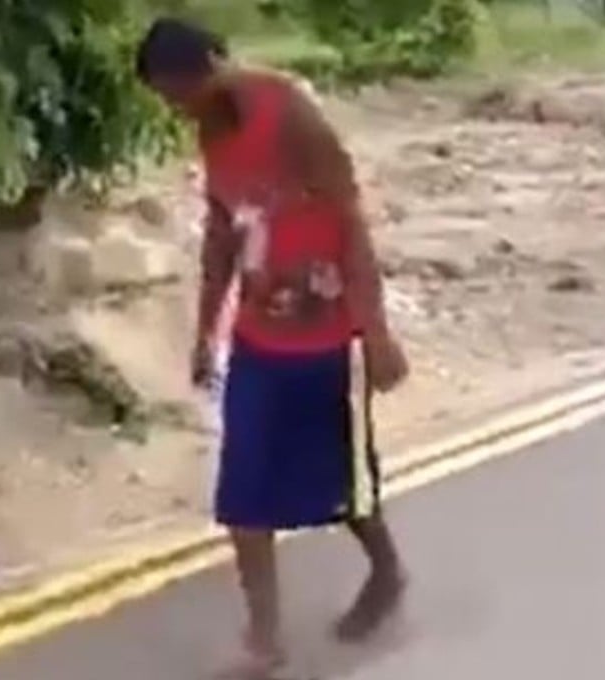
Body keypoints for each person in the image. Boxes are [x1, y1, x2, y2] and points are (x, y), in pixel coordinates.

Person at [136, 18, 410, 679]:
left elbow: (350, 218)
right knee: (244, 489)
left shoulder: (290, 111)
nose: (181, 110)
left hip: (327, 335)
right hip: (258, 337)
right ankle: (264, 639)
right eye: (170, 102)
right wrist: (206, 329)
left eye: (185, 93)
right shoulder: (212, 131)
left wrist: (374, 331)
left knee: (342, 486)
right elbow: (222, 233)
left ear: (213, 62)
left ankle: (388, 572)